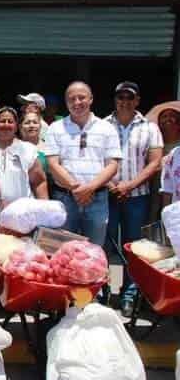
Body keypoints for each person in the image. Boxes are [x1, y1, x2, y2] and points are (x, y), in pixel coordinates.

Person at [104, 82, 163, 316]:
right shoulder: (102, 125)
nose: (125, 101)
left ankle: (130, 295)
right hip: (107, 194)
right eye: (120, 97)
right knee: (106, 245)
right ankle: (106, 291)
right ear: (115, 99)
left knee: (133, 247)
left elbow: (155, 162)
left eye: (130, 97)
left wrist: (129, 185)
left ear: (137, 100)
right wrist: (111, 185)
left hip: (137, 196)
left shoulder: (150, 128)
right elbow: (97, 159)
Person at [45, 81, 121, 247]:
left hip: (97, 198)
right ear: (66, 102)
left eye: (81, 98)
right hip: (65, 198)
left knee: (94, 252)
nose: (77, 102)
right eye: (72, 99)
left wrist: (90, 188)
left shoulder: (107, 128)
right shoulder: (55, 128)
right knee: (62, 253)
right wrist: (76, 188)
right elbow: (52, 163)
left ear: (91, 99)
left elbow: (113, 165)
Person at [0, 107, 48, 242]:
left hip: (19, 217)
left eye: (10, 121)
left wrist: (44, 208)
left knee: (16, 257)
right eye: (2, 121)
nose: (6, 125)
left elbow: (39, 182)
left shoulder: (28, 150)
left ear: (16, 125)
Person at [19, 108, 51, 180]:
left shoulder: (49, 147)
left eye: (35, 122)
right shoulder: (15, 147)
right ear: (20, 127)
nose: (31, 125)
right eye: (27, 123)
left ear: (40, 126)